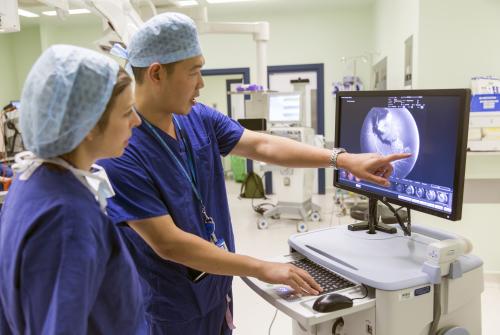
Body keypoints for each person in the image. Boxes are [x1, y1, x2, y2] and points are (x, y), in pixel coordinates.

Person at [101, 13, 411, 335]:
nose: (201, 83)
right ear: (156, 74)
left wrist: (342, 159)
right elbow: (169, 243)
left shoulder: (196, 117)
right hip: (171, 307)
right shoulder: (122, 150)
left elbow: (262, 144)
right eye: (194, 72)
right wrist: (262, 268)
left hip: (215, 290)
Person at [0, 45, 145, 334]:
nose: (136, 121)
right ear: (88, 124)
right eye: (127, 112)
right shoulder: (69, 219)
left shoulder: (31, 181)